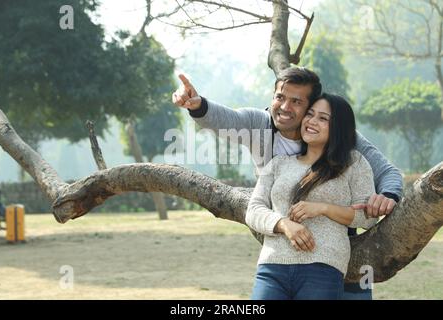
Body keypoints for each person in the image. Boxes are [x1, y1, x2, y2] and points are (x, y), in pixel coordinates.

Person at [172, 67, 403, 299]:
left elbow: (387, 172)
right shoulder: (261, 127)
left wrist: (388, 195)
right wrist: (198, 104)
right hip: (280, 245)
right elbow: (227, 119)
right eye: (280, 97)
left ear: (311, 106)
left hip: (338, 246)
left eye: (296, 102)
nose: (284, 107)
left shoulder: (343, 139)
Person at [246, 93, 377, 299]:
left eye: (323, 118)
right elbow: (253, 210)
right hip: (272, 267)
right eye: (310, 114)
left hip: (323, 268)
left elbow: (367, 217)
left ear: (339, 128)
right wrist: (283, 224)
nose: (312, 121)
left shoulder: (354, 163)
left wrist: (322, 208)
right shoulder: (279, 163)